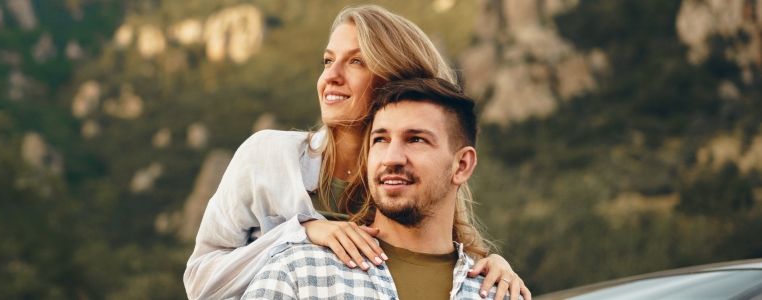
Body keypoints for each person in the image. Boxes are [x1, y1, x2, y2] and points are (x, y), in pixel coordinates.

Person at [185, 4, 530, 300]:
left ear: (393, 80)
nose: (330, 76)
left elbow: (431, 248)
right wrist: (302, 231)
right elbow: (200, 283)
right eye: (327, 60)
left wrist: (493, 268)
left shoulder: (398, 179)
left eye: (356, 62)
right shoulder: (267, 157)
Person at [242, 77, 520, 300]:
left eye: (416, 140)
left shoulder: (498, 292)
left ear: (461, 166)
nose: (392, 158)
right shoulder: (298, 271)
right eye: (381, 139)